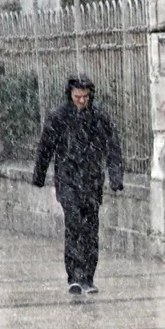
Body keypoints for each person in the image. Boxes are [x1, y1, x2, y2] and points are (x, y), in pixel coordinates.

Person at [33, 75, 123, 295]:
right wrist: (39, 176)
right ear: (70, 95)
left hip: (92, 181)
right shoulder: (59, 117)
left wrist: (115, 176)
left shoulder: (99, 117)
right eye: (77, 96)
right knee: (74, 225)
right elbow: (46, 147)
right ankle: (75, 276)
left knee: (91, 230)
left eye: (85, 96)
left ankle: (88, 278)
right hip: (68, 180)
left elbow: (112, 147)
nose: (81, 101)